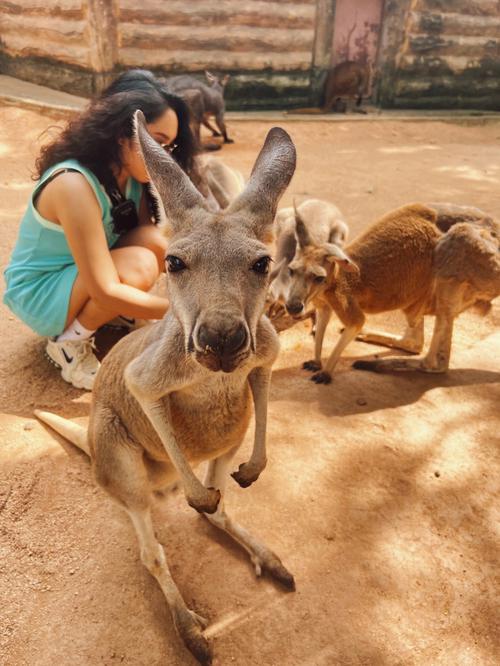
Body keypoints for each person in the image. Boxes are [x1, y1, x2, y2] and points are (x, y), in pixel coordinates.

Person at [3, 71, 199, 390]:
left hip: (80, 275)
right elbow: (106, 288)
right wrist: (190, 315)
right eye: (157, 142)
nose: (165, 156)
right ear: (122, 133)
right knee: (138, 265)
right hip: (40, 293)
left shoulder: (131, 177)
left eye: (170, 146)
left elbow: (158, 243)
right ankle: (68, 343)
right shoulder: (73, 184)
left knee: (155, 242)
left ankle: (114, 315)